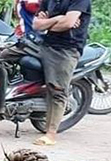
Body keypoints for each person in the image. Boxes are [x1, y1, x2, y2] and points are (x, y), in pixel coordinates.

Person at [32, 0, 91, 146]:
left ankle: (51, 134)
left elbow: (68, 23)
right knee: (8, 55)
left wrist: (49, 23)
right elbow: (36, 25)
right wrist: (58, 19)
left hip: (66, 49)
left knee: (57, 90)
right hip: (45, 44)